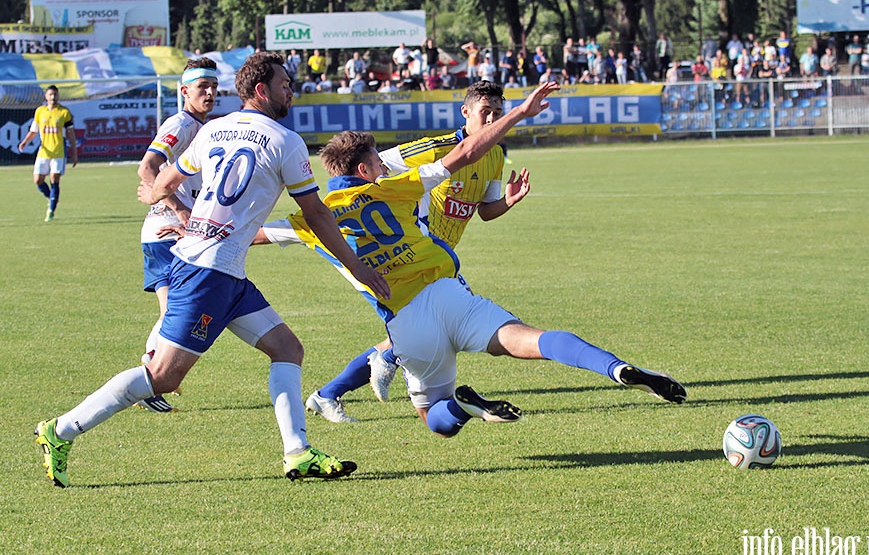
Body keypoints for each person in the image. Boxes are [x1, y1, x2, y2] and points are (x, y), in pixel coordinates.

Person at [33, 52, 391, 488]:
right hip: (207, 273)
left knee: (287, 349)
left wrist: (161, 198)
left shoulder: (214, 129)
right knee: (163, 376)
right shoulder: (285, 141)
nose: (290, 92)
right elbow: (315, 213)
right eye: (284, 85)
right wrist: (356, 265)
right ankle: (60, 430)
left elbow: (164, 179)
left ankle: (297, 454)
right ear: (261, 90)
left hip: (223, 271)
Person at [255, 82, 686, 443]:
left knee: (434, 418)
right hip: (449, 292)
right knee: (531, 339)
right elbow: (461, 155)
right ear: (368, 168)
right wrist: (518, 113)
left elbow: (253, 235)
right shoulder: (395, 187)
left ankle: (455, 404)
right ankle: (614, 368)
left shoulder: (312, 217)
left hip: (405, 317)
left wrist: (194, 230)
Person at [262, 80, 528, 422]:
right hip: (408, 248)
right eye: (484, 112)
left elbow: (487, 210)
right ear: (466, 112)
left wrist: (508, 199)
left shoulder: (495, 154)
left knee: (422, 330)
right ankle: (373, 373)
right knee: (435, 329)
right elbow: (376, 168)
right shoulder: (438, 148)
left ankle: (332, 392)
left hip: (435, 257)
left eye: (497, 113)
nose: (491, 119)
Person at [134, 57, 219, 414]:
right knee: (175, 312)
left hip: (178, 234)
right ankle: (147, 380)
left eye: (214, 87)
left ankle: (149, 379)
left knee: (178, 311)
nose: (211, 93)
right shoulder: (181, 123)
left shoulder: (205, 125)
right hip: (166, 233)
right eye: (203, 88)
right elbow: (147, 168)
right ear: (185, 91)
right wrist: (179, 210)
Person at [18, 85, 78, 222]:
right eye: (50, 94)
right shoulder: (40, 111)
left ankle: (51, 210)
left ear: (58, 96)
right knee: (38, 180)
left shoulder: (64, 112)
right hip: (44, 152)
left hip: (58, 152)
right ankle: (53, 198)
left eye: (55, 94)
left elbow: (70, 133)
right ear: (46, 96)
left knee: (54, 179)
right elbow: (34, 130)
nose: (53, 97)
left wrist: (74, 151)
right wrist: (25, 142)